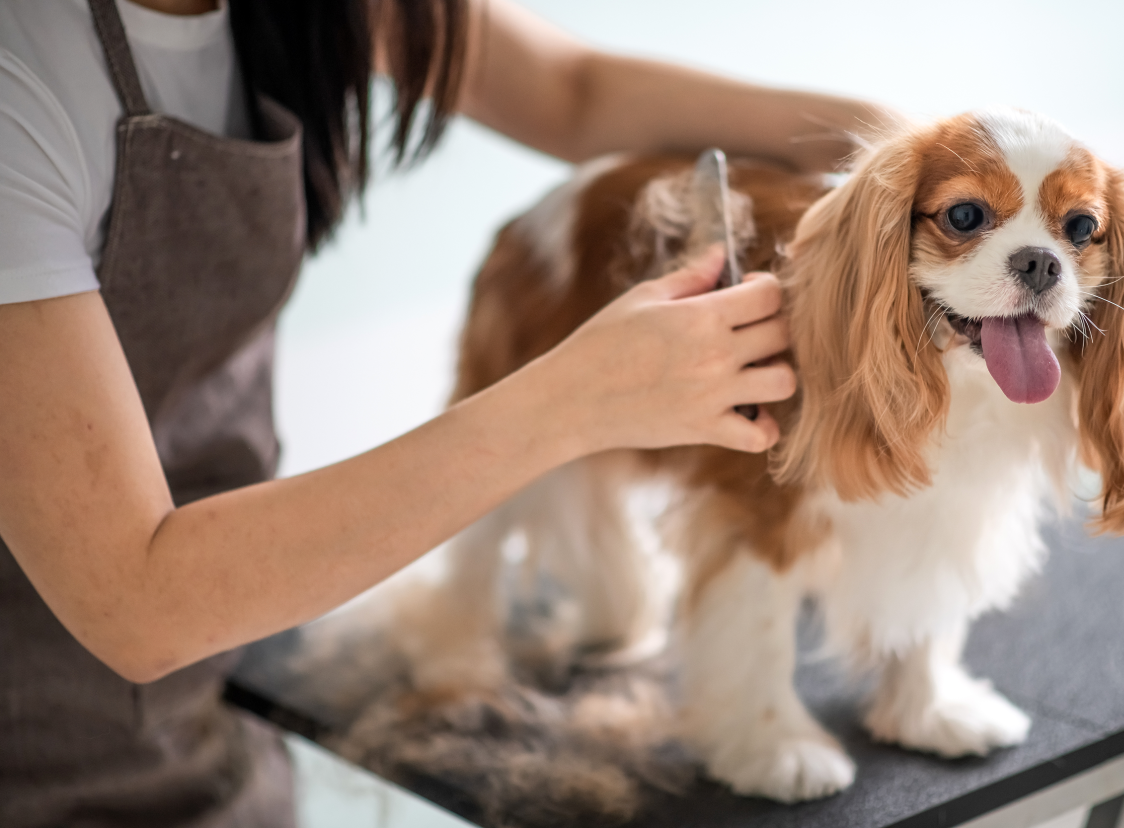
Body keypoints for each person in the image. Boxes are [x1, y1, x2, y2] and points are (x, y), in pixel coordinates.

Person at [0, 0, 901, 824]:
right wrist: (571, 400)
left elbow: (571, 92)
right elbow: (137, 603)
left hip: (217, 724)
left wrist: (899, 152)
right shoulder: (22, 83)